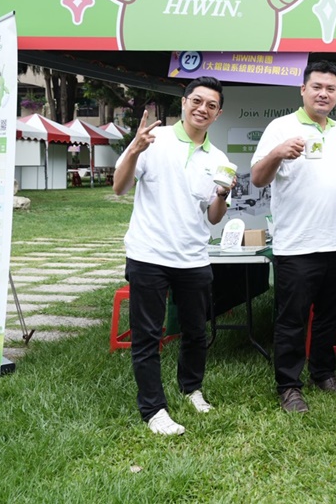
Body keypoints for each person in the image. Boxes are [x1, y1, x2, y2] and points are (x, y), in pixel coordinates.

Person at [114, 76, 230, 436]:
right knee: (148, 336)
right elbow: (119, 187)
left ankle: (191, 388)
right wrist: (135, 150)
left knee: (195, 332)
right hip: (149, 254)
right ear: (183, 102)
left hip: (194, 257)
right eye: (197, 101)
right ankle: (153, 409)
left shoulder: (218, 158)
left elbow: (213, 217)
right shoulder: (154, 139)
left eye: (211, 105)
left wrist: (223, 196)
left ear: (218, 114)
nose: (203, 109)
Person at [250, 60, 336, 414]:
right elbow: (257, 178)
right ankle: (289, 386)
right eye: (317, 87)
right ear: (303, 90)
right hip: (296, 245)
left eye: (330, 89)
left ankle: (323, 373)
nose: (323, 94)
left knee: (329, 316)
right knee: (292, 319)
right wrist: (278, 153)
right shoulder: (281, 127)